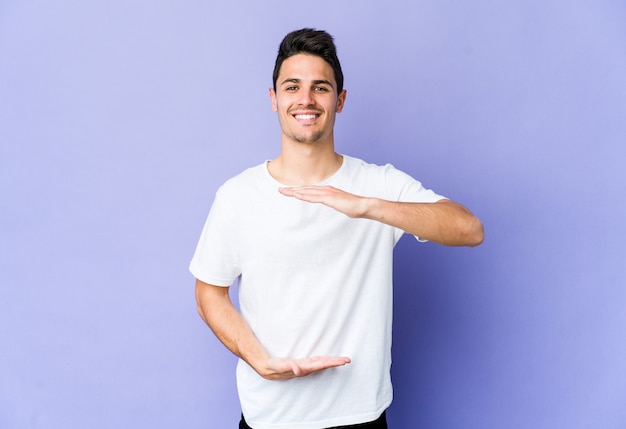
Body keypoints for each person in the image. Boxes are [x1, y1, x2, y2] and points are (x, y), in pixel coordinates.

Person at [190, 28, 484, 429]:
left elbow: (468, 229)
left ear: (340, 100)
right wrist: (259, 361)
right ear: (273, 99)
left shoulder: (377, 184)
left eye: (320, 87)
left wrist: (366, 206)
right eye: (292, 86)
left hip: (360, 416)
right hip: (270, 417)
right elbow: (209, 290)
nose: (306, 99)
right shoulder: (238, 195)